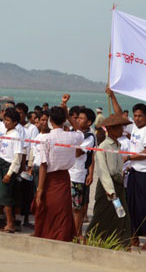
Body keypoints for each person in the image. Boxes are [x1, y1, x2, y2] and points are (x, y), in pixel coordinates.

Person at [33, 98, 84, 242]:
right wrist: (68, 116)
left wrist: (40, 189)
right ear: (63, 120)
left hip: (50, 178)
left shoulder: (46, 138)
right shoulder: (71, 137)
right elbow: (80, 132)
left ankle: (48, 234)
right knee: (63, 209)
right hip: (64, 177)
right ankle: (62, 236)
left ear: (50, 120)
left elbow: (43, 164)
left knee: (49, 208)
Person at [108, 87, 146, 249]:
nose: (137, 119)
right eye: (135, 115)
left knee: (144, 206)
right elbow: (119, 115)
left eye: (140, 116)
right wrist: (112, 96)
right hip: (132, 173)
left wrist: (128, 157)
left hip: (145, 174)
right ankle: (134, 236)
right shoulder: (133, 128)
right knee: (130, 205)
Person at [86, 114, 132, 246]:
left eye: (121, 127)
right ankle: (90, 239)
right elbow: (103, 171)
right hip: (107, 187)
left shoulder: (118, 145)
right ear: (110, 129)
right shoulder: (103, 146)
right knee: (101, 215)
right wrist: (110, 190)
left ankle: (119, 243)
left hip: (118, 184)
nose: (121, 130)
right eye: (118, 128)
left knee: (122, 216)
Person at [0, 107, 23, 233]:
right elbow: (1, 151)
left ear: (15, 123)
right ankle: (3, 220)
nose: (6, 122)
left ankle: (10, 224)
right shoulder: (4, 133)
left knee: (6, 197)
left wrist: (10, 173)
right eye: (5, 120)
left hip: (9, 167)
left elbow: (17, 156)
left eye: (8, 120)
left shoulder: (16, 135)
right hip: (1, 165)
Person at [68, 107, 96, 238]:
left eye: (82, 118)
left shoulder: (89, 137)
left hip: (78, 175)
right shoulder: (73, 132)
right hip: (67, 172)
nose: (78, 120)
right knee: (68, 206)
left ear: (89, 122)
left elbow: (79, 152)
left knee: (77, 207)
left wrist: (91, 174)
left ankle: (77, 233)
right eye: (77, 118)